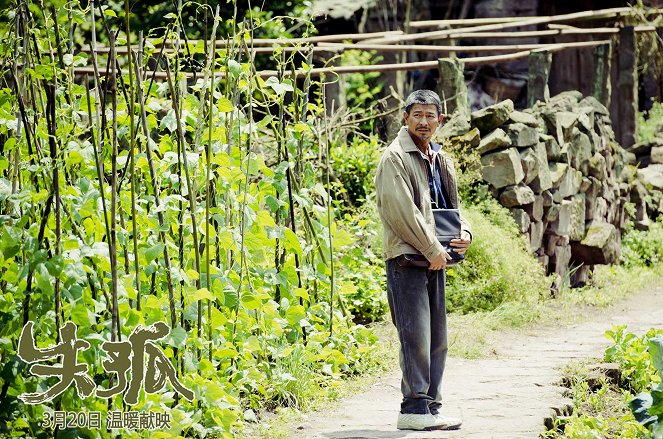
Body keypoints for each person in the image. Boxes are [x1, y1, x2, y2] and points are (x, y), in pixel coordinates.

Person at [374, 89, 472, 431]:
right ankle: (412, 407)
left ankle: (430, 407)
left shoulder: (440, 158)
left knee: (437, 337)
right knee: (414, 335)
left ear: (440, 120)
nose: (424, 121)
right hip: (408, 259)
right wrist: (433, 249)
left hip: (436, 258)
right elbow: (402, 213)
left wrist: (465, 234)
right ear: (405, 118)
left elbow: (452, 208)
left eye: (431, 115)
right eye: (418, 115)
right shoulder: (395, 158)